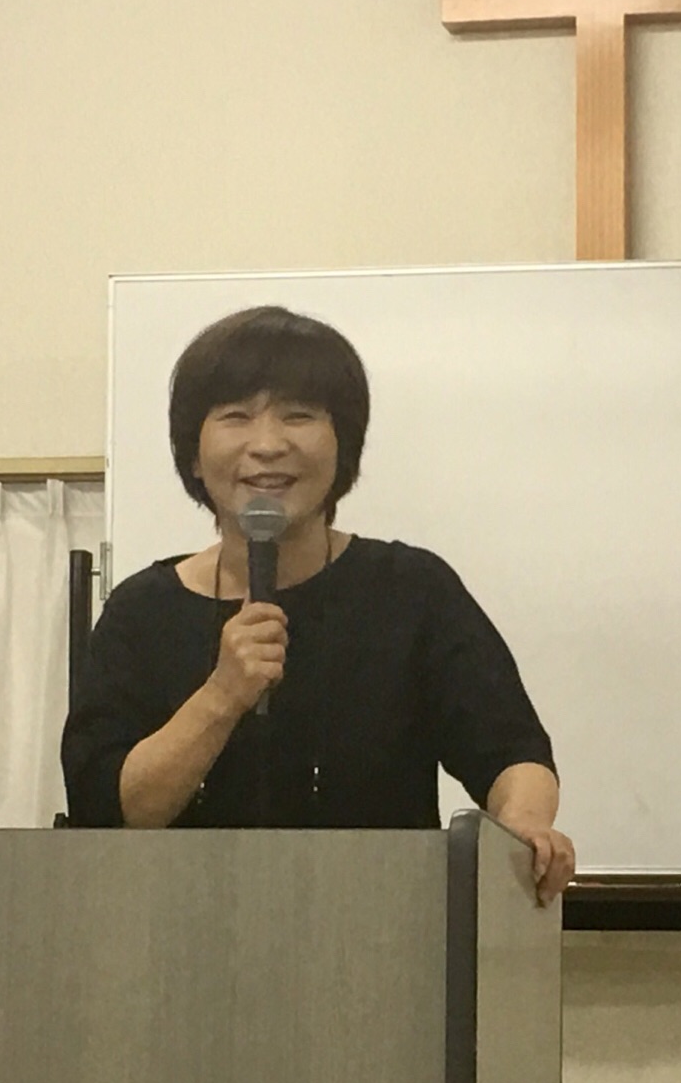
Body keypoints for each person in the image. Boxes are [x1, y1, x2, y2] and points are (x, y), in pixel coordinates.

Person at [62, 305, 578, 904]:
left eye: (299, 415)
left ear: (342, 447)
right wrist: (223, 694)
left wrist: (525, 826)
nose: (268, 444)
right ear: (195, 454)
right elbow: (106, 810)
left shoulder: (412, 591)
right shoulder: (141, 611)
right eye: (236, 417)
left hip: (381, 930)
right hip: (177, 936)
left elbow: (512, 752)